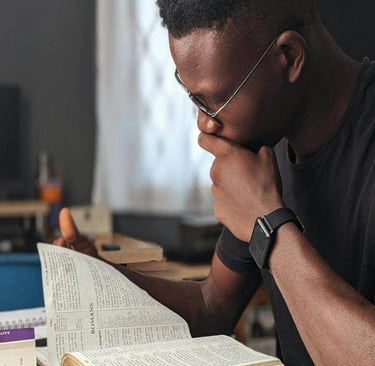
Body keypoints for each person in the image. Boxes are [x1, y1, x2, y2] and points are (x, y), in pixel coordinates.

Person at [54, 1, 375, 365]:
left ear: (289, 56)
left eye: (214, 102)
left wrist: (267, 223)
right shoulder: (266, 148)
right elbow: (211, 307)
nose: (203, 125)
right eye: (195, 100)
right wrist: (100, 278)